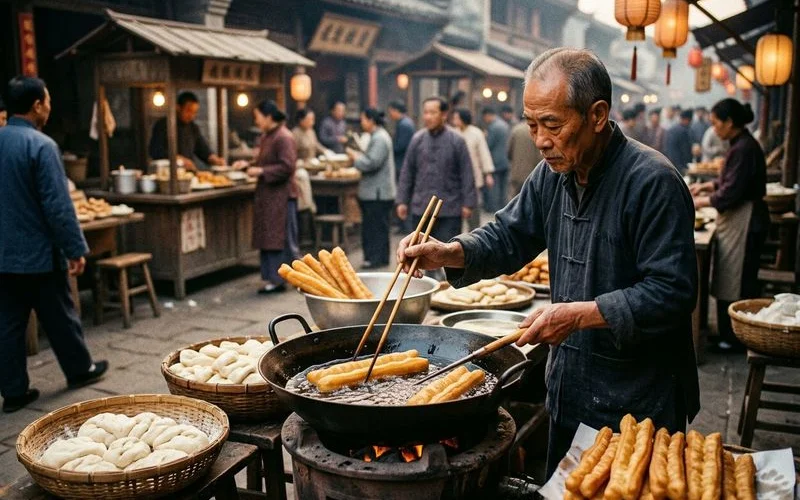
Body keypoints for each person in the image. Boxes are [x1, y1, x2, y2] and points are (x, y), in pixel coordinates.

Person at [397, 48, 699, 477]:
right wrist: (449, 251)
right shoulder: (552, 174)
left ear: (597, 115)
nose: (540, 140)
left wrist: (580, 316)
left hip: (638, 397)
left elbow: (672, 292)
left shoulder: (652, 182)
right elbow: (508, 234)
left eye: (553, 125)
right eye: (532, 124)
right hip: (571, 383)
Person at [0, 76, 108, 413]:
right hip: (39, 253)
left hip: (4, 254)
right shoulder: (41, 145)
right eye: (47, 101)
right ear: (36, 105)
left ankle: (14, 391)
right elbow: (58, 206)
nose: (49, 107)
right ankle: (79, 370)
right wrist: (76, 249)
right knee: (60, 313)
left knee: (8, 323)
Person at [690, 100, 768, 353]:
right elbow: (729, 182)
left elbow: (732, 192)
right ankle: (729, 334)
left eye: (716, 124)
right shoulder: (740, 146)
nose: (714, 129)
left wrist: (700, 199)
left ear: (729, 123)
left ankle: (735, 338)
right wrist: (706, 186)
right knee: (730, 278)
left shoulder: (744, 148)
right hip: (738, 218)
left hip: (745, 220)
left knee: (738, 282)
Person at [396, 96, 476, 254]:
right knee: (420, 254)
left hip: (449, 208)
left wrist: (468, 203)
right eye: (425, 112)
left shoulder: (457, 140)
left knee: (449, 254)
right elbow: (407, 172)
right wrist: (402, 201)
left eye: (433, 112)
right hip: (422, 207)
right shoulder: (417, 139)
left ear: (444, 114)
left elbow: (466, 173)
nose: (428, 117)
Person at [234, 101, 298, 294]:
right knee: (268, 237)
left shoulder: (284, 137)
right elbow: (266, 161)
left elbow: (287, 167)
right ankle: (273, 277)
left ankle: (281, 279)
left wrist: (261, 171)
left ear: (268, 116)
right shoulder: (267, 136)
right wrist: (247, 165)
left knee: (279, 239)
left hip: (281, 195)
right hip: (269, 195)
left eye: (258, 116)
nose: (256, 120)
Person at [346, 109, 396, 268]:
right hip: (377, 192)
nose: (362, 123)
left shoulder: (379, 138)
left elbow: (371, 163)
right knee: (378, 227)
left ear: (371, 120)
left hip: (377, 193)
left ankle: (374, 259)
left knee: (374, 228)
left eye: (363, 119)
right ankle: (379, 258)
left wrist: (356, 158)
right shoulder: (378, 136)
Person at [148, 91, 224, 170]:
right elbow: (155, 151)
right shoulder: (163, 125)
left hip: (189, 175)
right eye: (188, 111)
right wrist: (178, 159)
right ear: (178, 107)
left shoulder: (193, 127)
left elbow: (202, 149)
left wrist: (215, 159)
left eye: (194, 112)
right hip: (167, 173)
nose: (191, 115)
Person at [452, 108, 494, 231]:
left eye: (456, 118)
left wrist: (488, 174)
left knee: (473, 210)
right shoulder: (453, 133)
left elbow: (484, 154)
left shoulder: (476, 133)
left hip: (474, 177)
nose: (454, 120)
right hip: (456, 178)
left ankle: (474, 236)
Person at [483, 107, 511, 212]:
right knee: (503, 187)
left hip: (495, 161)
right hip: (505, 160)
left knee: (494, 187)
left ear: (488, 115)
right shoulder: (504, 125)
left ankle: (493, 208)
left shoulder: (493, 127)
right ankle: (504, 207)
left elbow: (488, 145)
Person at [508, 117, 542, 198]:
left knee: (516, 198)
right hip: (533, 171)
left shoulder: (515, 130)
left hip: (517, 171)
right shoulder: (537, 130)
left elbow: (509, 152)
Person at [388, 101, 415, 181]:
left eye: (391, 112)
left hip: (402, 163)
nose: (390, 115)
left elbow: (400, 146)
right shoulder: (404, 122)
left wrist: (389, 149)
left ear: (396, 111)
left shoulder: (404, 124)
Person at [663, 109, 694, 174]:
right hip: (680, 165)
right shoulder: (683, 131)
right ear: (686, 119)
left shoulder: (672, 129)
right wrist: (684, 167)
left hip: (671, 163)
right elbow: (684, 151)